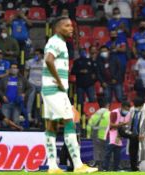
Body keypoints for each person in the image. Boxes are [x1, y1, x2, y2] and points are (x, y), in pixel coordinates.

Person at [41, 16, 98, 173]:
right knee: (69, 124)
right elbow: (48, 59)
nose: (71, 28)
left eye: (71, 26)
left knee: (52, 127)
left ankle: (52, 166)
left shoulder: (60, 43)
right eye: (67, 26)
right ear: (58, 28)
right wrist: (59, 81)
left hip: (50, 90)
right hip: (54, 89)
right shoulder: (56, 42)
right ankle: (78, 165)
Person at [102, 101, 131, 171]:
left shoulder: (128, 114)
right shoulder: (114, 112)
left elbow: (126, 126)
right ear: (122, 107)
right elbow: (111, 125)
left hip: (118, 136)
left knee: (117, 155)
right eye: (126, 109)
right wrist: (123, 124)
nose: (127, 111)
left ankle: (116, 168)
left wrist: (124, 127)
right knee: (107, 154)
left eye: (128, 110)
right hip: (110, 135)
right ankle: (105, 169)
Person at [127, 97, 145, 171]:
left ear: (142, 105)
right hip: (133, 135)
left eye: (137, 107)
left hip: (143, 136)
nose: (136, 108)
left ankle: (143, 168)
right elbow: (130, 122)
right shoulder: (133, 109)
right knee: (132, 153)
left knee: (143, 153)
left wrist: (144, 134)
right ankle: (133, 169)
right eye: (135, 106)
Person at [86, 97, 110, 169]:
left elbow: (89, 126)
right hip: (106, 135)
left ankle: (98, 166)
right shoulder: (109, 113)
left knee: (97, 150)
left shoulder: (95, 114)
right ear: (107, 105)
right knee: (105, 151)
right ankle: (105, 166)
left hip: (95, 135)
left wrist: (89, 135)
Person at [25, 48, 43, 124]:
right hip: (31, 83)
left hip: (42, 84)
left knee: (40, 101)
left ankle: (38, 117)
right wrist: (25, 83)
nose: (36, 55)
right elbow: (26, 72)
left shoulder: (45, 62)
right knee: (31, 98)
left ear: (42, 55)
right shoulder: (30, 62)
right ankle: (28, 115)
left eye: (38, 54)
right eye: (35, 54)